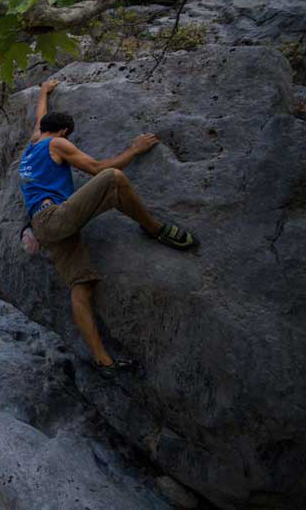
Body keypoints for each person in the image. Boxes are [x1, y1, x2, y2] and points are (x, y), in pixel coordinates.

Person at [20, 80, 198, 378]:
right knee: (114, 178)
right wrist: (135, 149)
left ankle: (104, 361)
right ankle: (155, 229)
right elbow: (97, 169)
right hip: (55, 217)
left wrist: (44, 92)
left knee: (82, 285)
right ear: (64, 132)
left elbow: (39, 118)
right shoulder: (57, 142)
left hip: (44, 226)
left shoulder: (34, 142)